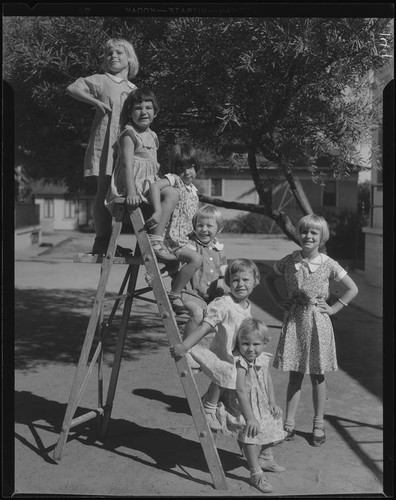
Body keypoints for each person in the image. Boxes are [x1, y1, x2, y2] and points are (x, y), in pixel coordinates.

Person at [264, 214, 359, 446]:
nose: (308, 236)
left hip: (318, 325)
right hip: (295, 322)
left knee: (317, 376)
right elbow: (268, 279)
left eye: (314, 233)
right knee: (295, 375)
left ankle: (318, 423)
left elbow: (352, 289)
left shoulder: (329, 264)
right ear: (299, 234)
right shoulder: (289, 261)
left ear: (321, 237)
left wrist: (335, 308)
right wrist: (278, 302)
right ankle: (289, 423)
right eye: (304, 231)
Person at [66, 37, 139, 256]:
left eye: (118, 53)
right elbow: (72, 88)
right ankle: (102, 241)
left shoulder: (134, 88)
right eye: (109, 54)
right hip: (106, 143)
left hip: (128, 145)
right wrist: (96, 102)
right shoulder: (101, 80)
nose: (113, 57)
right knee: (103, 190)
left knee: (125, 191)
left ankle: (118, 242)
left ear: (129, 59)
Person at [170, 259, 261, 429]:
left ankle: (211, 400)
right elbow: (205, 326)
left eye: (245, 280)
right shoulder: (223, 304)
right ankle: (209, 408)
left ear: (256, 281)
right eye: (235, 280)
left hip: (231, 350)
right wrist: (185, 346)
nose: (240, 284)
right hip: (213, 348)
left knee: (236, 373)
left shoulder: (246, 305)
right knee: (229, 371)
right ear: (228, 283)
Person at [215, 318, 287, 494]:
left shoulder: (262, 358)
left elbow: (267, 379)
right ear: (239, 342)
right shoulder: (240, 362)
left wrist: (272, 401)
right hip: (243, 404)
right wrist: (250, 417)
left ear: (264, 343)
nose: (251, 349)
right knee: (251, 431)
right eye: (245, 343)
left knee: (273, 419)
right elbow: (240, 390)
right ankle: (255, 472)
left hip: (260, 400)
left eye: (256, 344)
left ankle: (265, 457)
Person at [148, 143, 202, 314]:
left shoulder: (194, 191)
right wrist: (157, 210)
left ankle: (157, 276)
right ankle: (175, 294)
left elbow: (189, 218)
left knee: (202, 255)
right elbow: (155, 186)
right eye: (183, 168)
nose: (187, 172)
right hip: (169, 240)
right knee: (196, 259)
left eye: (191, 167)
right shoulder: (174, 179)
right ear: (176, 169)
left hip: (183, 239)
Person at [181, 204, 228, 346]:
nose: (204, 229)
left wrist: (224, 292)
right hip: (191, 293)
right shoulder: (191, 246)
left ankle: (206, 350)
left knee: (221, 316)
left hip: (211, 296)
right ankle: (186, 347)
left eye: (209, 226)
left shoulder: (219, 250)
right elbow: (179, 267)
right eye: (200, 225)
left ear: (218, 228)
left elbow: (224, 275)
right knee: (198, 314)